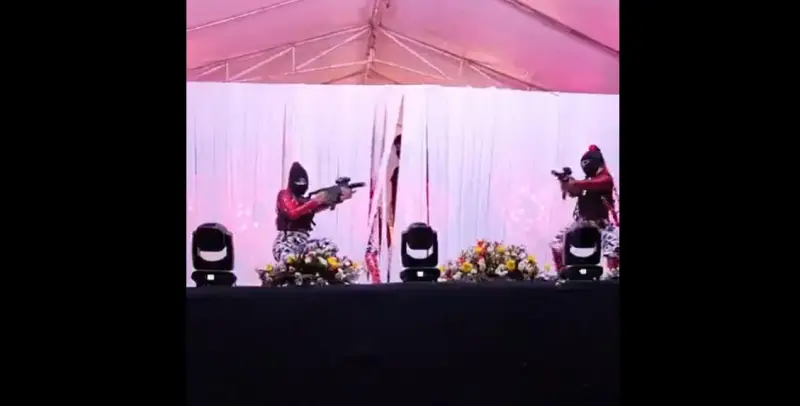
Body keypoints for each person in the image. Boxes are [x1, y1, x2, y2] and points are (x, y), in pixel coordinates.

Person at [550, 145, 620, 271]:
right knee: (556, 242)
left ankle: (614, 275)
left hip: (601, 226)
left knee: (613, 247)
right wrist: (565, 183)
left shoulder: (605, 179)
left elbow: (594, 184)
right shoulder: (587, 182)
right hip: (581, 224)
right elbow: (573, 191)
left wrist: (575, 183)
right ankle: (562, 272)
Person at [273, 162, 354, 262]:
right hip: (286, 244)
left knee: (329, 247)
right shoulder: (284, 195)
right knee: (291, 261)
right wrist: (316, 200)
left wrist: (337, 198)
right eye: (299, 182)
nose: (301, 185)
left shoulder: (303, 200)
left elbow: (317, 207)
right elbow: (292, 213)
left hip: (303, 243)